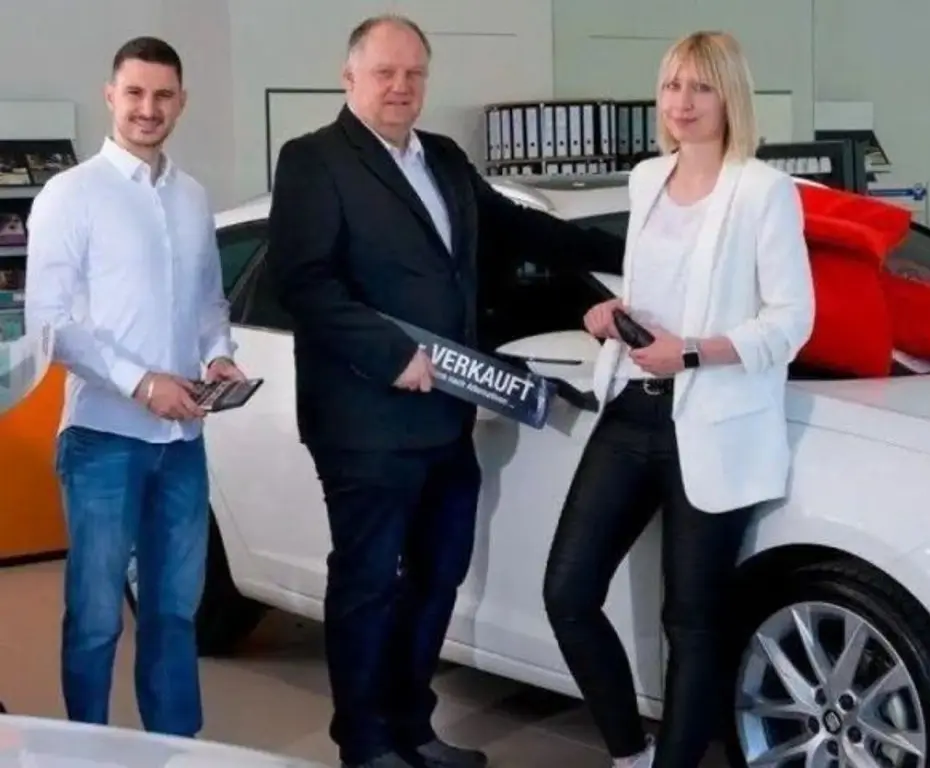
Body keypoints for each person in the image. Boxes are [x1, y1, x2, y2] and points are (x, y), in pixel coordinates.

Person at [264, 14, 623, 768]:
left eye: (414, 74)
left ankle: (412, 728)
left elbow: (523, 230)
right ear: (349, 77)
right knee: (368, 584)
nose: (401, 87)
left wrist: (641, 245)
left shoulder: (446, 159)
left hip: (446, 416)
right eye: (385, 73)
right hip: (365, 419)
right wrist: (391, 353)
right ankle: (365, 745)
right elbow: (303, 282)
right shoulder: (312, 160)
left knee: (437, 579)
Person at [542, 31, 815, 768]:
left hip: (715, 419)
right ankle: (629, 754)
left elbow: (791, 321)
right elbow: (660, 290)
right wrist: (613, 314)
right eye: (671, 86)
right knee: (568, 592)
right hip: (631, 408)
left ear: (730, 97)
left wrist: (690, 350)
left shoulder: (763, 191)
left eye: (700, 87)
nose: (682, 102)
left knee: (691, 623)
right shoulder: (646, 179)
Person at [24, 37, 244, 737]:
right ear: (110, 96)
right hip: (102, 439)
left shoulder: (192, 197)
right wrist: (142, 383)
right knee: (94, 618)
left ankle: (174, 749)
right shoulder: (71, 194)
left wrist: (219, 356)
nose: (149, 108)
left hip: (183, 441)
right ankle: (85, 747)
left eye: (163, 95)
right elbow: (50, 322)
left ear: (182, 102)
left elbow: (209, 303)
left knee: (174, 613)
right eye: (135, 93)